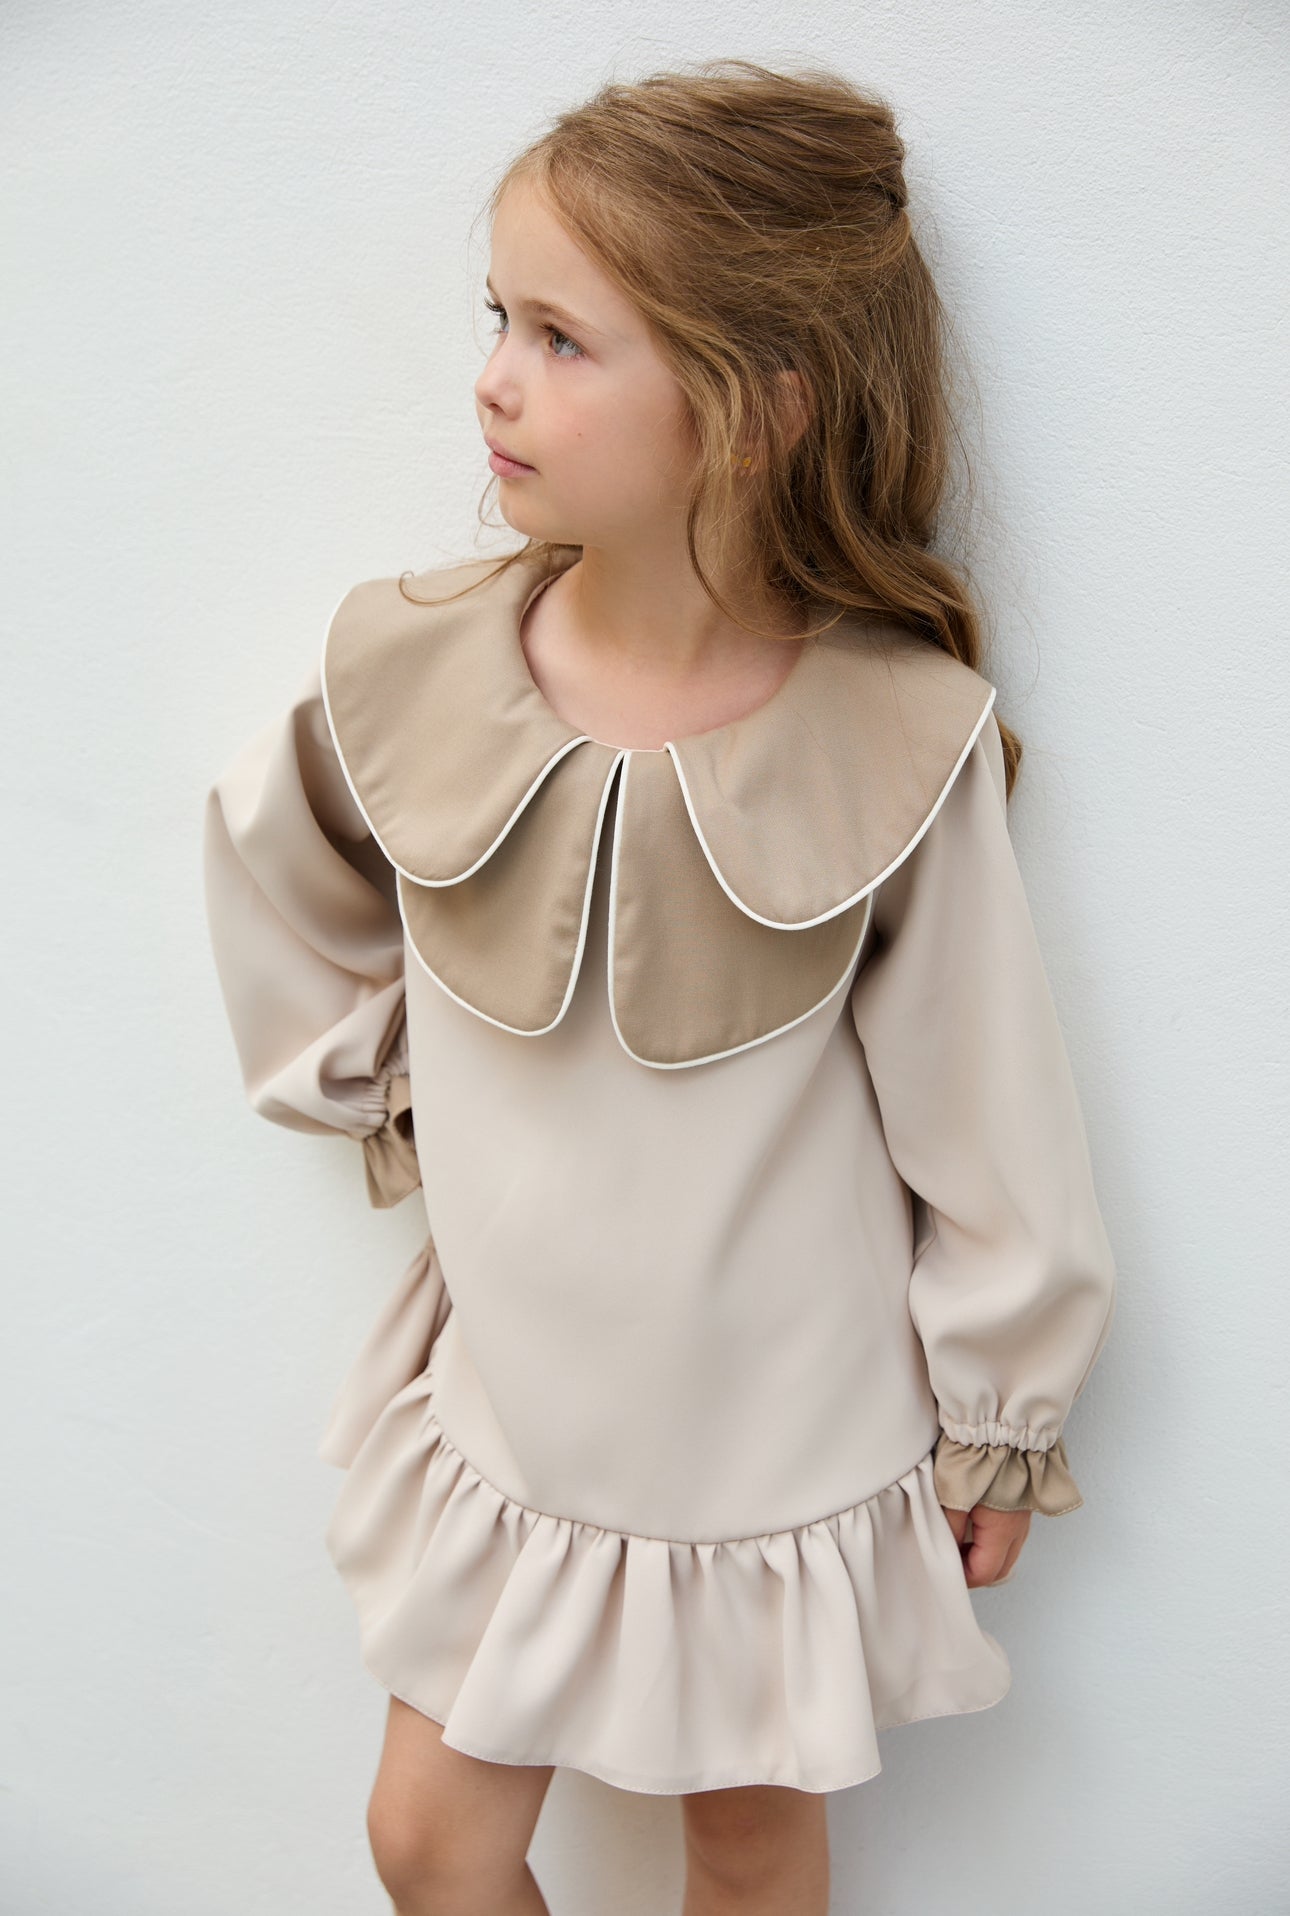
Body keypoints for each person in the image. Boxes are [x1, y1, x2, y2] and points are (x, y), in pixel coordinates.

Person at [202, 58, 1117, 1916]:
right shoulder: (416, 662)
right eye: (498, 318)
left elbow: (987, 1109)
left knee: (751, 1853)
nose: (494, 378)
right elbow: (278, 865)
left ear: (758, 404)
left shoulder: (893, 736)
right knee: (429, 1840)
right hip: (521, 1401)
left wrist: (1001, 1408)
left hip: (782, 1427)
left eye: (560, 337)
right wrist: (398, 1086)